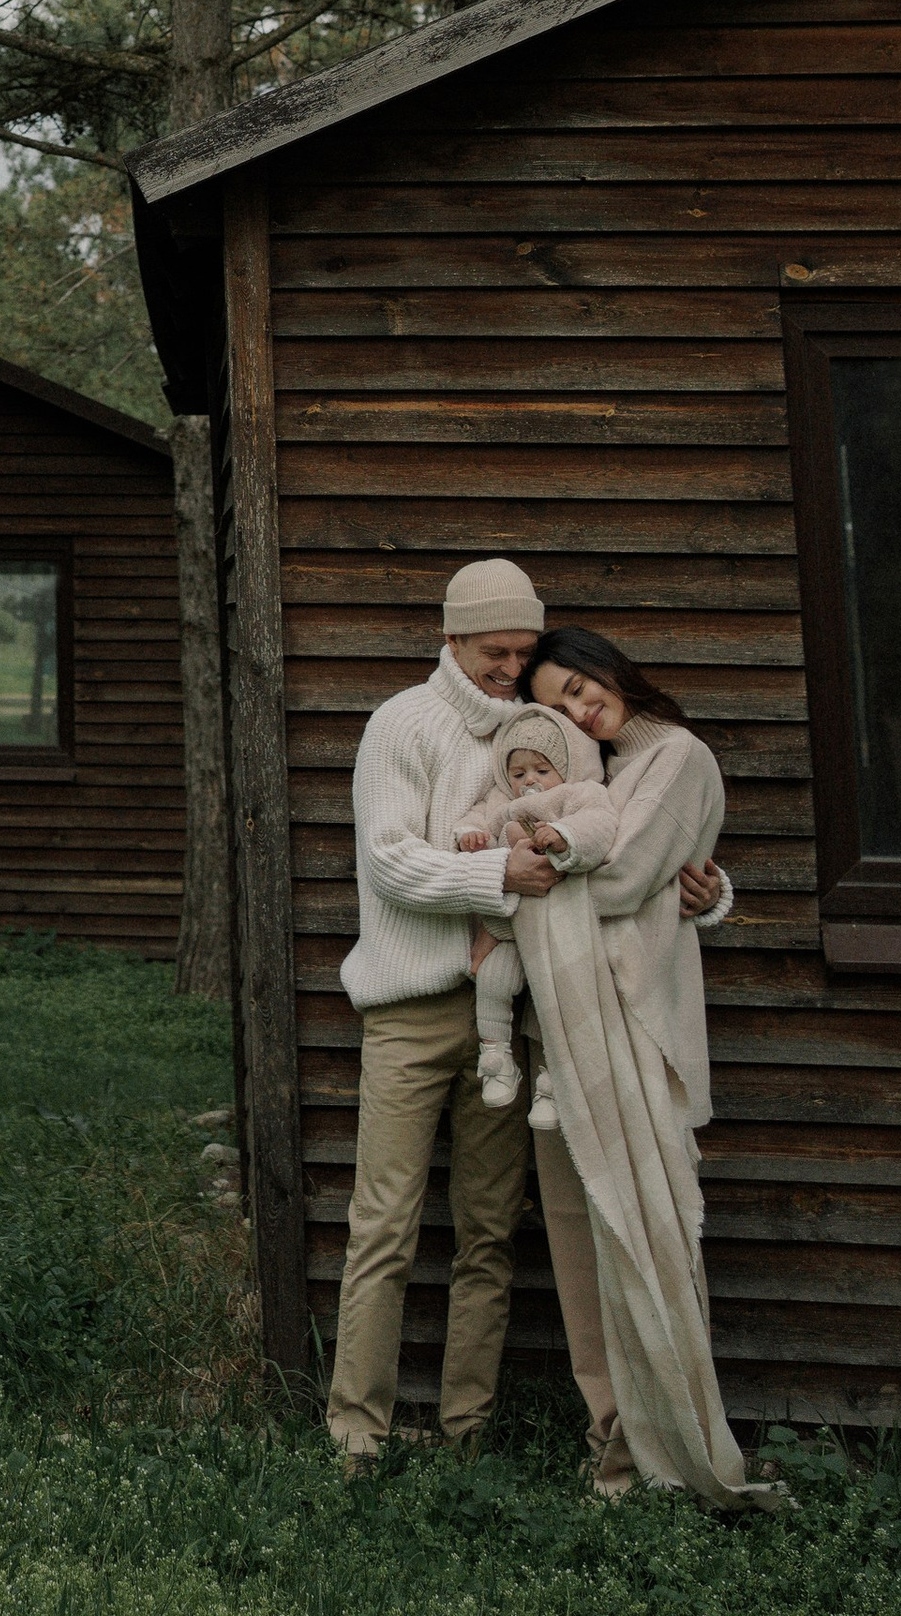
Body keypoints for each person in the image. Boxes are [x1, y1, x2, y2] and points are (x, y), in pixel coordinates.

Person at [326, 564, 728, 1480]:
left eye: (523, 652)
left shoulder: (543, 725)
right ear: (452, 639)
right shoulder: (401, 725)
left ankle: (467, 1431)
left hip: (518, 1010)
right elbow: (390, 863)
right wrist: (496, 876)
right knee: (383, 1223)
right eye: (494, 651)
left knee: (489, 1231)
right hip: (411, 1008)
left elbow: (617, 835)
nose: (510, 668)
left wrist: (705, 889)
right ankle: (355, 1435)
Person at [514, 626, 758, 1509]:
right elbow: (627, 874)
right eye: (558, 704)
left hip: (635, 1029)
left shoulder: (680, 757)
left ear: (612, 669)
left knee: (649, 1225)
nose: (581, 709)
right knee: (587, 1240)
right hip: (572, 1028)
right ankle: (612, 1447)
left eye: (581, 686)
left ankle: (670, 1441)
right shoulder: (603, 776)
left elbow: (619, 884)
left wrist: (515, 873)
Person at [456, 704, 612, 1124]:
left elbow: (599, 826)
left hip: (555, 926)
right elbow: (477, 819)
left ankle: (554, 1081)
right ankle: (497, 1059)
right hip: (507, 923)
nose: (529, 781)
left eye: (541, 770)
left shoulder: (579, 794)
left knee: (554, 995)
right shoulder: (501, 802)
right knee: (494, 979)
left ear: (565, 765)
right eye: (519, 772)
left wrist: (564, 835)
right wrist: (470, 833)